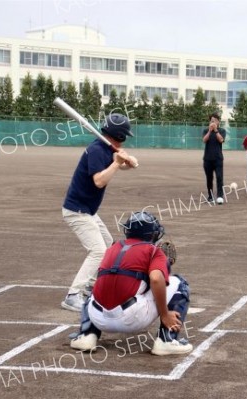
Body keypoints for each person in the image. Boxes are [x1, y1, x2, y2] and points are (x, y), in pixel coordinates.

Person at [70, 211, 193, 356]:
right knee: (180, 283)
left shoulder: (112, 248)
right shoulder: (153, 251)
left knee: (98, 286)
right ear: (152, 234)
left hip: (97, 318)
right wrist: (165, 313)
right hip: (132, 319)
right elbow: (155, 279)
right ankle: (166, 340)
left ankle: (86, 335)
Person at [61, 113, 137, 312]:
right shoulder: (96, 150)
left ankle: (89, 286)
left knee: (109, 246)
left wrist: (128, 162)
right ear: (119, 136)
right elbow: (99, 180)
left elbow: (116, 165)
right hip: (77, 210)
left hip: (89, 211)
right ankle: (72, 295)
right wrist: (117, 163)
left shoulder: (107, 149)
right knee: (98, 250)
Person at [202, 113, 226, 204]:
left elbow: (221, 140)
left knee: (219, 177)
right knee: (209, 178)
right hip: (207, 159)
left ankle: (220, 196)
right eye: (212, 120)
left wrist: (215, 130)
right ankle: (210, 196)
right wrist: (209, 131)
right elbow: (204, 140)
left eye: (215, 120)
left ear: (218, 122)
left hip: (218, 159)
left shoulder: (222, 131)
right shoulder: (205, 130)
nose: (213, 122)